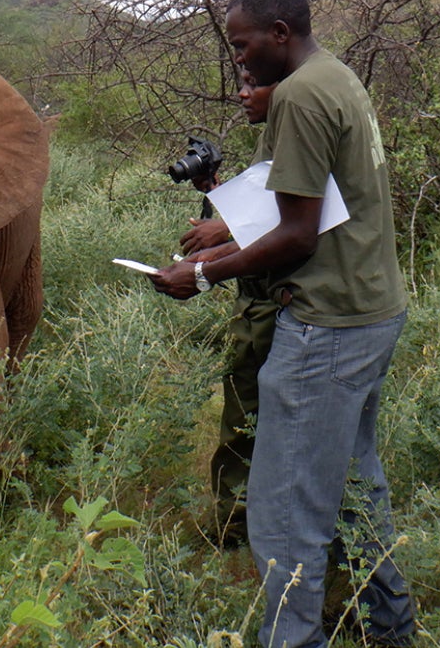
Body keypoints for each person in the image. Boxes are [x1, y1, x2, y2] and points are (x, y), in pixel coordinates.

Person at [150, 0, 416, 647]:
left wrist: (202, 274)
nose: (239, 61)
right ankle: (390, 630)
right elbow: (314, 204)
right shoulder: (334, 76)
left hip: (324, 326)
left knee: (282, 518)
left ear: (278, 34)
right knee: (354, 490)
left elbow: (298, 233)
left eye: (242, 46)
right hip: (369, 310)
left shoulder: (298, 95)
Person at [179, 72, 277, 547]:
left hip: (271, 306)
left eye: (253, 83)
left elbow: (287, 231)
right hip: (257, 301)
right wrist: (217, 191)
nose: (243, 93)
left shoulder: (297, 136)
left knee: (246, 423)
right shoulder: (274, 139)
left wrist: (209, 261)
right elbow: (263, 216)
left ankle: (236, 531)